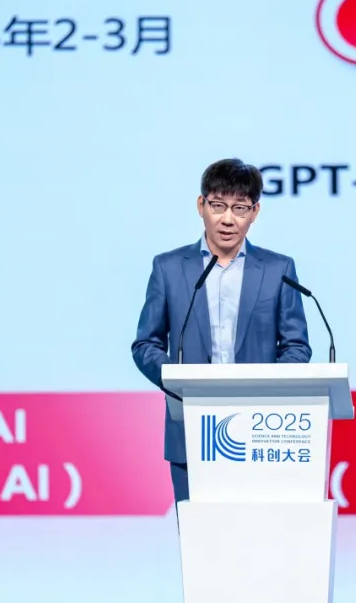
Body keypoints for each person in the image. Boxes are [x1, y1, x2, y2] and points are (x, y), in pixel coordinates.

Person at [131, 158, 312, 507]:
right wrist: (178, 381)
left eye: (240, 208)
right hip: (189, 426)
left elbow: (296, 346)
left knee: (255, 533)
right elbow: (145, 344)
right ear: (201, 206)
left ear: (255, 212)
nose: (228, 219)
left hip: (260, 432)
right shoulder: (168, 268)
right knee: (198, 536)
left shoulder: (278, 269)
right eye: (218, 206)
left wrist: (268, 391)